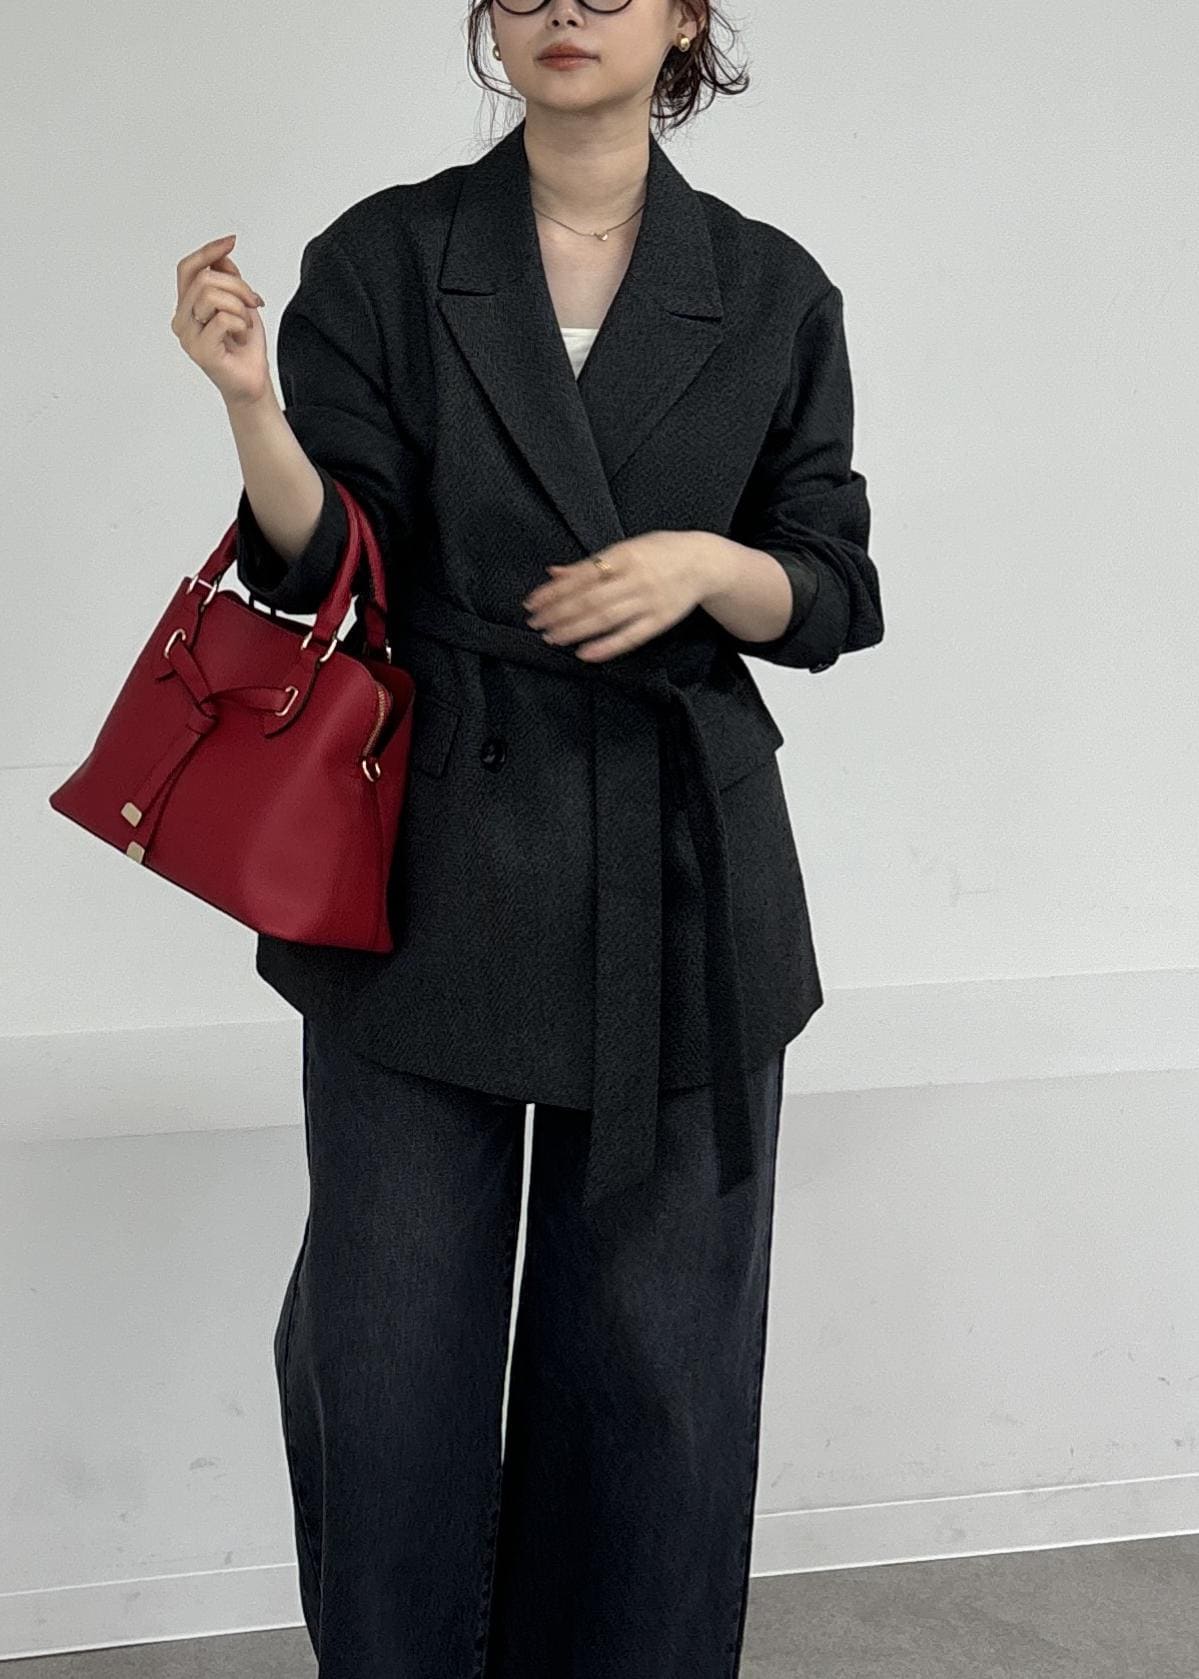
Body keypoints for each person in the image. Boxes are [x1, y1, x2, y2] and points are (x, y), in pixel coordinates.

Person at [173, 2, 883, 1673]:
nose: (569, 5)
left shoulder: (772, 288)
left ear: (686, 16)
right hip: (424, 866)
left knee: (658, 1372)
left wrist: (707, 568)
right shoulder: (386, 257)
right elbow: (329, 567)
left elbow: (835, 587)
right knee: (388, 1355)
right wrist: (253, 407)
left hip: (683, 875)